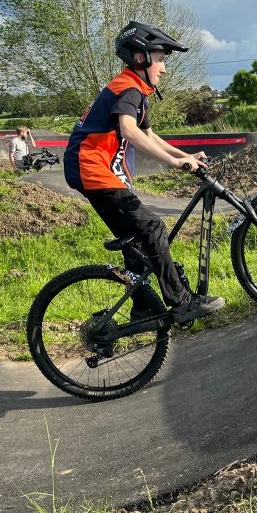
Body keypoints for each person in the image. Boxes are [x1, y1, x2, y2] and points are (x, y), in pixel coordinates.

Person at [64, 20, 224, 324]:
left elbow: (149, 136)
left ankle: (141, 309)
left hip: (93, 169)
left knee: (136, 242)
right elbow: (128, 130)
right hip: (91, 169)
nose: (164, 68)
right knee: (152, 228)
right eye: (161, 59)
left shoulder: (135, 89)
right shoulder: (128, 90)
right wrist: (174, 163)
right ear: (141, 58)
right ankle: (181, 303)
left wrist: (183, 155)